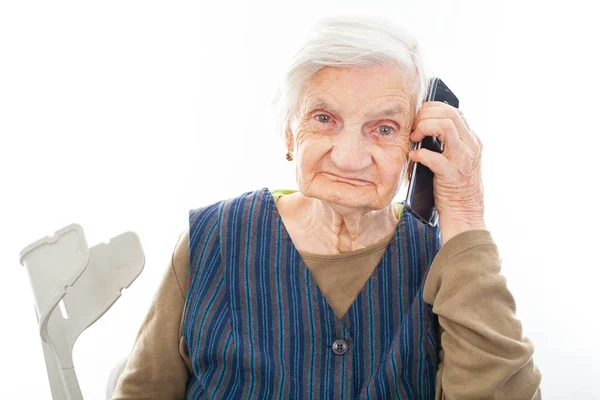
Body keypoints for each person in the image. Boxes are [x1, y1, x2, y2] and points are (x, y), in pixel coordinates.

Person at [112, 14, 542, 399]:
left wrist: (465, 216)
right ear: (288, 132)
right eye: (323, 118)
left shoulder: (446, 259)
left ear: (418, 145)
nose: (348, 156)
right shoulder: (213, 239)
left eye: (384, 128)